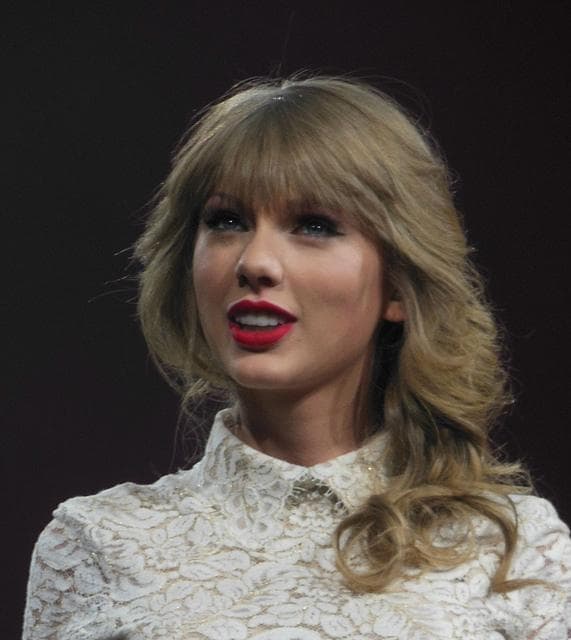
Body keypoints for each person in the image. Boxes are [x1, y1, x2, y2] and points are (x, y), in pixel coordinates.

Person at [23, 75, 570, 639]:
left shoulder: (515, 551)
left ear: (399, 287)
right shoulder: (96, 546)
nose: (255, 261)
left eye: (314, 225)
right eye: (227, 221)